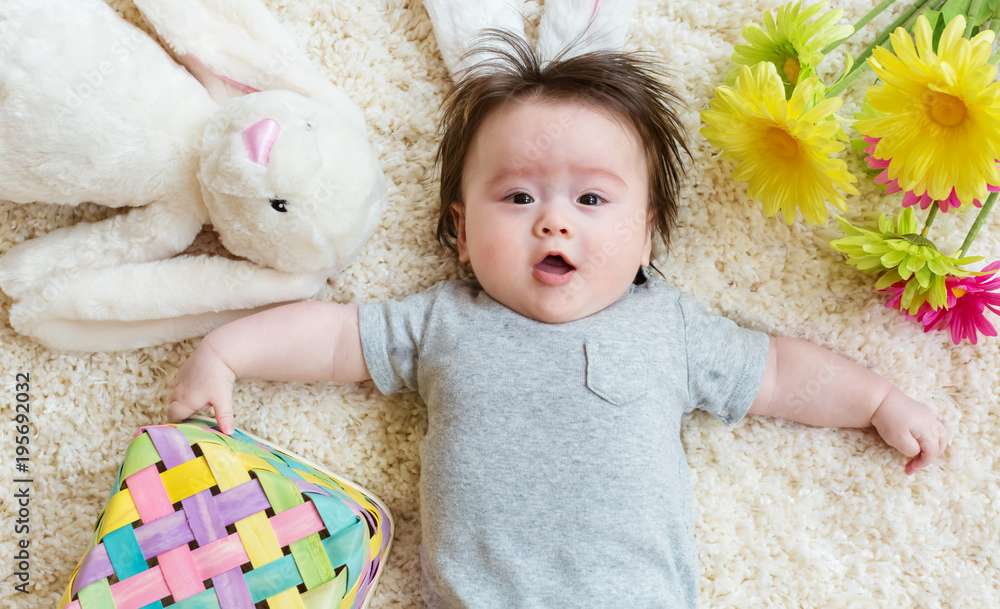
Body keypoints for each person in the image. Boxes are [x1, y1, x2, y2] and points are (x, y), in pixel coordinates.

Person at [169, 33, 949, 608]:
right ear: (462, 232)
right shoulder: (444, 321)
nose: (554, 224)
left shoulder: (669, 327)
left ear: (645, 234)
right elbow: (337, 336)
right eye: (517, 197)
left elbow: (778, 371)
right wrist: (228, 350)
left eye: (592, 199)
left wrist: (878, 403)